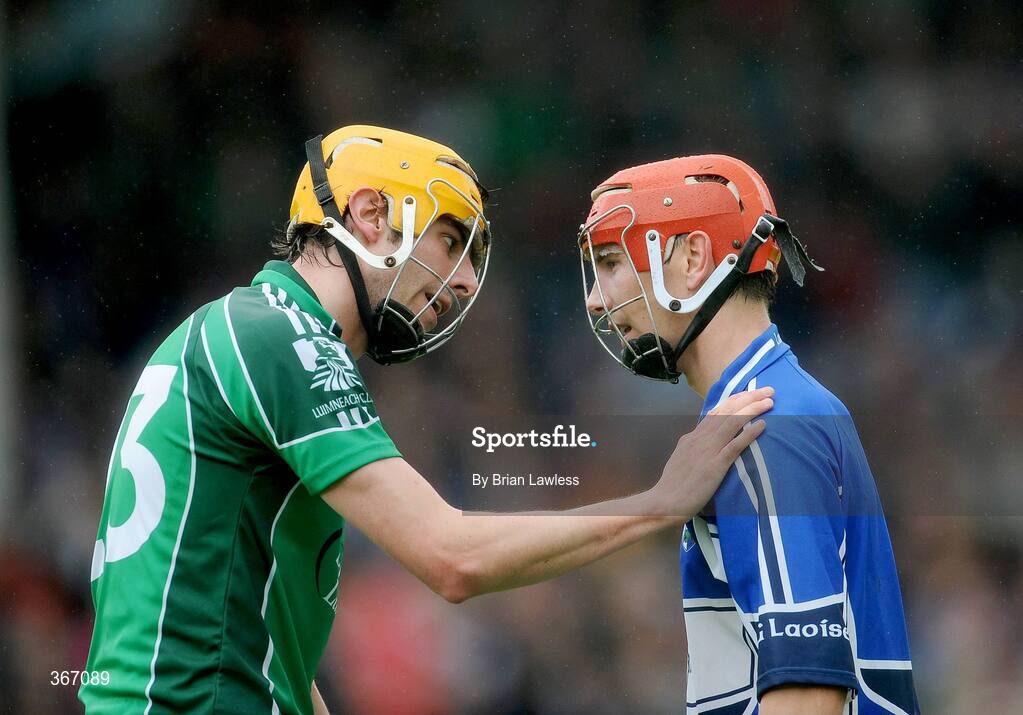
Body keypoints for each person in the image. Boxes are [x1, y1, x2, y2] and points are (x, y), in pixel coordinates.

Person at [79, 126, 773, 715]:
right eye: (450, 239)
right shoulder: (278, 341)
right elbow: (451, 556)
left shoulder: (240, 331)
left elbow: (264, 648)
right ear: (368, 214)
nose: (467, 279)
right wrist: (659, 503)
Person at [578, 155, 920, 714]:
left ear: (691, 258)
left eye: (612, 261)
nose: (596, 297)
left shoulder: (762, 427)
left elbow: (808, 695)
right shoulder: (775, 403)